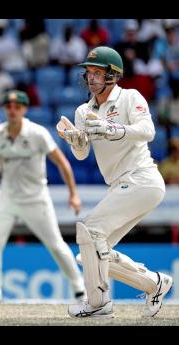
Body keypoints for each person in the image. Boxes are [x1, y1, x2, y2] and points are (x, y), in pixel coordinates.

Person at [59, 46, 173, 318]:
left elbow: (148, 131)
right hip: (122, 185)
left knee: (91, 229)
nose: (91, 78)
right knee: (90, 254)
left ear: (113, 75)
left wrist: (113, 129)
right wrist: (76, 140)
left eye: (97, 73)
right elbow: (82, 153)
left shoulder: (130, 97)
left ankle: (98, 304)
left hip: (142, 179)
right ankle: (154, 283)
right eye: (89, 73)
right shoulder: (83, 111)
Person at [0, 90, 86, 304]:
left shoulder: (38, 133)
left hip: (36, 198)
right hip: (8, 197)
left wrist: (73, 195)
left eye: (17, 107)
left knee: (56, 245)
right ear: (4, 109)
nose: (12, 111)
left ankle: (79, 288)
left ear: (24, 110)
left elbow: (62, 163)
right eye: (9, 107)